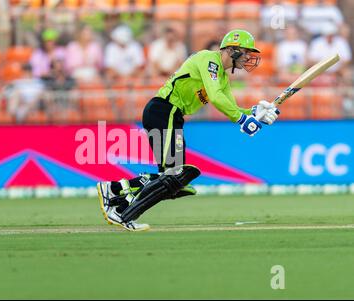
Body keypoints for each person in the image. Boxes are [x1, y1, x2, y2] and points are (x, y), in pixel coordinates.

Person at [96, 30, 280, 231]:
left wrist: (255, 113)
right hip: (163, 110)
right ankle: (116, 196)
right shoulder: (209, 59)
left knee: (175, 183)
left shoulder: (223, 78)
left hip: (173, 115)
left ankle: (116, 196)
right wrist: (242, 119)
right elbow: (217, 98)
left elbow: (231, 108)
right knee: (173, 176)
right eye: (245, 51)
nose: (247, 57)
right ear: (232, 49)